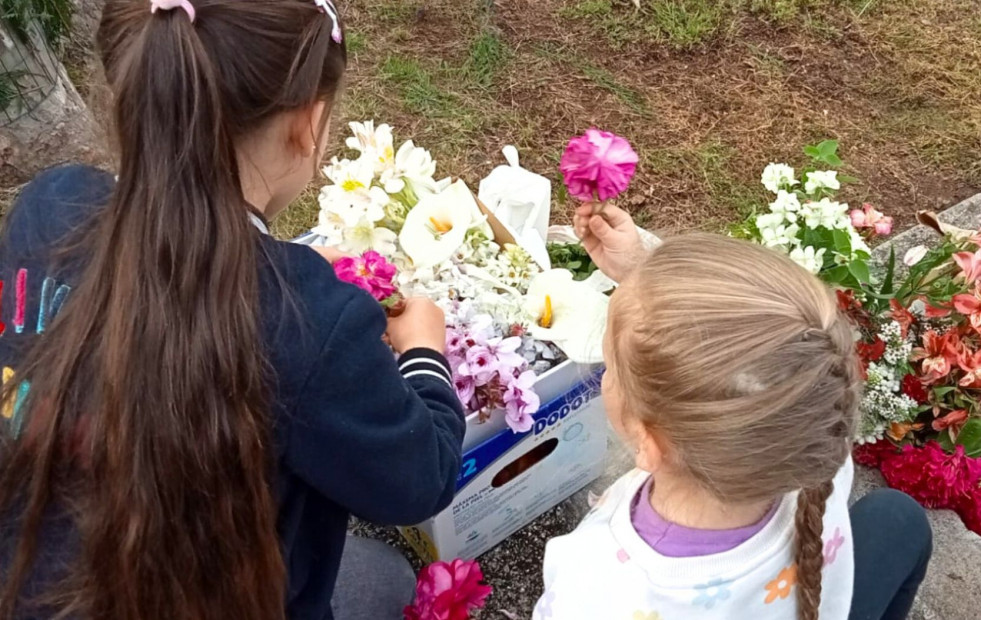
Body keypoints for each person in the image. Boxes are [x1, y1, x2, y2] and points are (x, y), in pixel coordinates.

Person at [0, 1, 465, 619]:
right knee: (384, 577)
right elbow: (420, 479)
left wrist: (283, 274)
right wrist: (424, 351)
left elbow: (153, 294)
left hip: (32, 579)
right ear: (309, 125)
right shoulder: (310, 323)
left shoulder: (50, 206)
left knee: (373, 575)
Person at [531, 204, 933, 620]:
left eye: (611, 367)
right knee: (900, 521)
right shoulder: (808, 434)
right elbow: (753, 364)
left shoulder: (594, 582)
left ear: (649, 444)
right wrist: (641, 278)